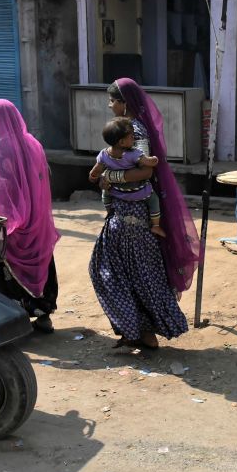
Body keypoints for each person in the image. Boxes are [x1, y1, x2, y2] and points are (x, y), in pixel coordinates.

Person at [88, 79, 199, 349]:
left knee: (115, 271)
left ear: (125, 102)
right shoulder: (125, 130)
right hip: (124, 212)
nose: (110, 105)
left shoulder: (134, 130)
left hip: (132, 215)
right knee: (133, 272)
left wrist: (111, 177)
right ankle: (139, 332)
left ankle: (138, 330)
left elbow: (146, 171)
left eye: (113, 100)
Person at [0, 99, 61, 333]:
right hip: (37, 220)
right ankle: (43, 314)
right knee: (40, 261)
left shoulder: (0, 149)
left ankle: (12, 319)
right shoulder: (33, 143)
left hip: (14, 222)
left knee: (3, 266)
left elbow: (0, 190)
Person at [89, 116, 164, 237]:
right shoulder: (133, 154)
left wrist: (95, 176)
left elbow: (95, 171)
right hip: (138, 193)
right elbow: (147, 164)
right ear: (122, 142)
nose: (134, 138)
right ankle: (156, 226)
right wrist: (155, 159)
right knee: (154, 199)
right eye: (131, 137)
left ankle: (108, 211)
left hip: (116, 192)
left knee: (105, 193)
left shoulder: (103, 154)